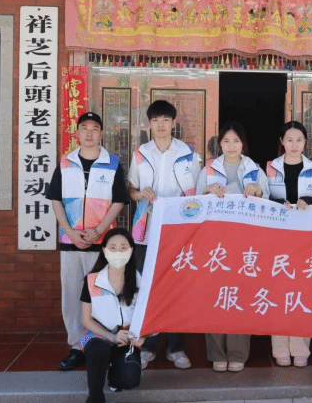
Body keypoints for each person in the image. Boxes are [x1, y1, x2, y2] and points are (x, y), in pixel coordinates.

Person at [46, 111, 129, 371]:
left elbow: (119, 200)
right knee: (72, 295)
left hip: (102, 244)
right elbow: (55, 200)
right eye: (84, 128)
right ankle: (76, 346)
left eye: (94, 128)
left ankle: (100, 343)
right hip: (70, 242)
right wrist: (71, 233)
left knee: (101, 295)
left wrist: (99, 231)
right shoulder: (66, 163)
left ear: (101, 133)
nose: (89, 133)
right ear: (77, 133)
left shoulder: (112, 163)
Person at [128, 100, 202, 370]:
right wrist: (140, 194)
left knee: (176, 287)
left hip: (178, 231)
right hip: (145, 231)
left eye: (165, 120)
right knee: (146, 287)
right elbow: (131, 190)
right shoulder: (140, 153)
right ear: (149, 124)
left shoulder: (188, 154)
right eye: (155, 120)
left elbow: (198, 192)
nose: (160, 125)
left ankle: (175, 347)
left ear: (173, 123)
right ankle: (147, 347)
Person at [196, 120, 270, 372]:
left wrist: (259, 190)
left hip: (245, 243)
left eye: (236, 141)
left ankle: (238, 352)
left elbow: (269, 204)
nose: (231, 146)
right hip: (214, 243)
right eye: (226, 141)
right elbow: (192, 205)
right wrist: (206, 190)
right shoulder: (208, 169)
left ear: (243, 144)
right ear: (219, 144)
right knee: (215, 295)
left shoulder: (255, 170)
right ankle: (217, 352)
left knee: (241, 295)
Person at [266, 121, 312, 367]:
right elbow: (262, 198)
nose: (294, 144)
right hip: (278, 236)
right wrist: (278, 204)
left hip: (306, 236)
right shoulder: (270, 167)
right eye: (289, 140)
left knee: (302, 291)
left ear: (305, 142)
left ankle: (301, 347)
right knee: (279, 290)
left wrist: (308, 201)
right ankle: (279, 347)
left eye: (299, 140)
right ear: (282, 142)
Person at [80, 228, 143, 403]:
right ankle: (95, 396)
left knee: (129, 380)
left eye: (123, 247)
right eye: (113, 247)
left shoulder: (140, 280)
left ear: (131, 250)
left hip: (127, 337)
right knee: (98, 350)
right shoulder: (92, 280)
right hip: (99, 334)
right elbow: (86, 319)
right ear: (104, 250)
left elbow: (147, 316)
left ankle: (114, 374)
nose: (118, 252)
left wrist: (139, 336)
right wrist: (111, 337)